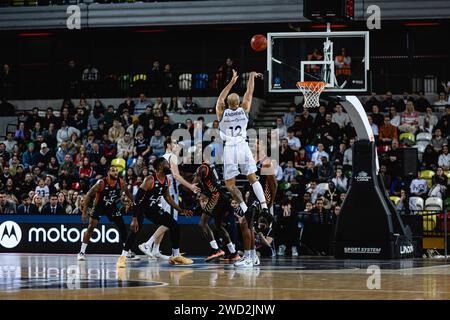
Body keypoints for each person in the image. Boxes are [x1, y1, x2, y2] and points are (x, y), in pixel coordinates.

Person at [216, 70, 271, 226]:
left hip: (230, 149)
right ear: (238, 103)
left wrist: (232, 82)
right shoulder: (244, 109)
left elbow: (220, 97)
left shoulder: (221, 112)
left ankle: (245, 208)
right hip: (242, 146)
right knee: (252, 178)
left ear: (227, 103)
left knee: (230, 185)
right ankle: (264, 206)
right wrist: (252, 76)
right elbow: (249, 92)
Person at [121, 157, 194, 267]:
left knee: (174, 225)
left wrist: (181, 210)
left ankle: (176, 255)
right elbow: (137, 200)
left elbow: (168, 198)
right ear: (160, 166)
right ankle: (123, 256)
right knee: (135, 230)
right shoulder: (150, 179)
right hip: (141, 207)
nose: (169, 166)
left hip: (152, 207)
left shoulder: (167, 180)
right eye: (166, 164)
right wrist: (134, 218)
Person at [138, 138, 200, 260]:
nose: (177, 145)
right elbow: (176, 176)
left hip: (165, 192)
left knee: (165, 222)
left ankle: (155, 250)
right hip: (170, 194)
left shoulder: (164, 157)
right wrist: (191, 186)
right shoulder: (172, 157)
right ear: (168, 145)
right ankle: (147, 244)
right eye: (175, 143)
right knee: (170, 222)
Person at [77, 166, 136, 262]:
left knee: (122, 226)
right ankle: (81, 252)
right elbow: (88, 195)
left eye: (117, 171)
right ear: (108, 173)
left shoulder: (120, 182)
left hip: (111, 206)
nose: (116, 172)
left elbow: (127, 192)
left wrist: (132, 202)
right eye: (113, 170)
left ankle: (127, 251)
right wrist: (84, 212)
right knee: (91, 227)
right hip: (99, 206)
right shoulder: (101, 183)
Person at [234, 139, 277, 268]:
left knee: (244, 223)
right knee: (248, 225)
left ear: (263, 146)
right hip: (252, 197)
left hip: (262, 197)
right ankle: (252, 256)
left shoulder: (267, 162)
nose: (254, 144)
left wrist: (269, 203)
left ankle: (248, 257)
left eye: (258, 142)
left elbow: (274, 185)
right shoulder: (252, 160)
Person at [192, 161, 239, 262]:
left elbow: (194, 183)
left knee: (202, 223)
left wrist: (193, 176)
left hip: (215, 198)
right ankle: (234, 253)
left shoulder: (202, 168)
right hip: (223, 198)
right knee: (218, 226)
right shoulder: (210, 167)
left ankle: (215, 250)